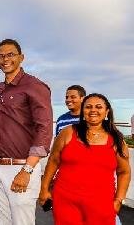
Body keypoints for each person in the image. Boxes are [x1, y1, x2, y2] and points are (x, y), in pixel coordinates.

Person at [39, 93, 131, 224]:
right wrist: (44, 189)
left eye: (99, 107)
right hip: (65, 201)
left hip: (101, 205)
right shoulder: (67, 132)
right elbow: (53, 161)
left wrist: (118, 200)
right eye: (88, 107)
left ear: (107, 111)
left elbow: (124, 172)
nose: (93, 110)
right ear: (83, 110)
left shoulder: (117, 139)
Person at [0, 39, 52, 225]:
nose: (5, 59)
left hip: (22, 166)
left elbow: (44, 128)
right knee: (4, 222)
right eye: (1, 56)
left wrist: (27, 170)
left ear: (21, 58)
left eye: (10, 55)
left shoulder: (35, 86)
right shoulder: (0, 88)